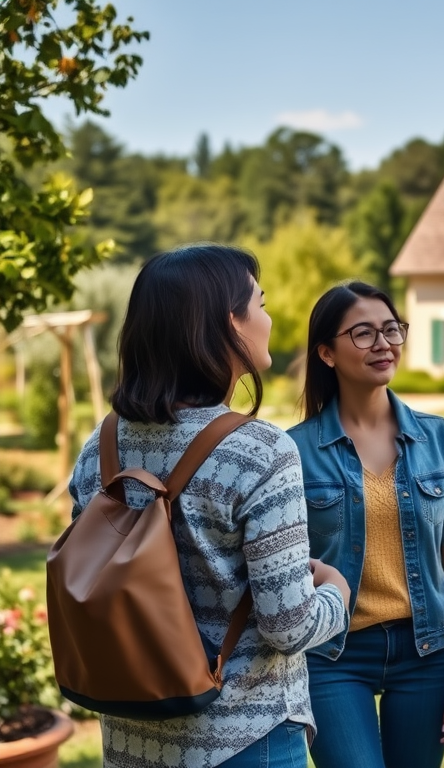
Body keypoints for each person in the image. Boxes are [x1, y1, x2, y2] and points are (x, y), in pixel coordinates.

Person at [68, 244, 350, 768]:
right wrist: (336, 592)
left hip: (133, 740)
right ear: (230, 323)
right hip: (244, 737)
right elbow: (286, 625)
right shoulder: (261, 451)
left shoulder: (99, 448)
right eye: (260, 303)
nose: (269, 317)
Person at [287, 282, 444, 768]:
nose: (384, 344)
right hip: (333, 654)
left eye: (391, 329)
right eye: (364, 333)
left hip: (427, 650)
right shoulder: (292, 450)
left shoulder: (439, 438)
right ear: (327, 352)